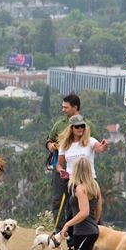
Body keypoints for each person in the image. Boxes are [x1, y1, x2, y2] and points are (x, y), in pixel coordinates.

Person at [56, 114, 109, 250]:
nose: (80, 128)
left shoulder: (90, 141)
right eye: (77, 126)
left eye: (82, 126)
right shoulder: (64, 145)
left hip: (89, 181)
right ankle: (72, 244)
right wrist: (61, 171)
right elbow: (59, 164)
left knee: (93, 211)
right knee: (72, 211)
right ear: (71, 128)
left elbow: (99, 148)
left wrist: (104, 146)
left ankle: (97, 244)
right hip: (72, 182)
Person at [46, 95, 81, 226]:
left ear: (75, 107)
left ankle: (72, 232)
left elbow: (93, 143)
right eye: (62, 107)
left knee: (74, 201)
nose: (63, 110)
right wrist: (50, 145)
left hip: (77, 171)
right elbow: (49, 139)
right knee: (57, 200)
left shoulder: (85, 125)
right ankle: (58, 230)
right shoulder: (59, 124)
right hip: (59, 168)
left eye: (66, 107)